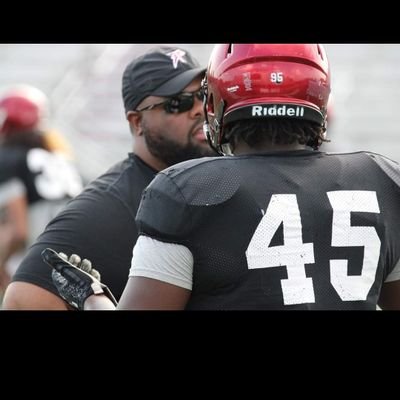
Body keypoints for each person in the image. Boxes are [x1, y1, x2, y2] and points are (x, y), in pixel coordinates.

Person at [44, 43, 400, 311]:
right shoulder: (382, 179)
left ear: (217, 104)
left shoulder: (188, 190)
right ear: (320, 98)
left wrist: (92, 298)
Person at [2, 46, 216, 310]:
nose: (198, 109)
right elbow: (23, 300)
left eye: (203, 95)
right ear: (137, 122)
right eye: (178, 102)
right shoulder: (110, 206)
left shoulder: (215, 173)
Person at [0, 86, 83, 296]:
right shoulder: (60, 154)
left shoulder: (9, 158)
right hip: (81, 254)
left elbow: (19, 231)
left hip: (41, 258)